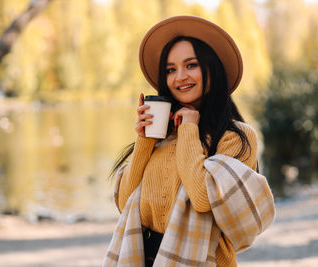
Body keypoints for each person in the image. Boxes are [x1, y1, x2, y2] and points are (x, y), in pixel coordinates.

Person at [103, 15, 275, 267]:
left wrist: (189, 130)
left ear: (212, 69)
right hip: (144, 258)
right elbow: (125, 201)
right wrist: (144, 140)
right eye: (170, 69)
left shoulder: (235, 137)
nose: (179, 77)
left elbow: (202, 199)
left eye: (191, 65)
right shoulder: (161, 134)